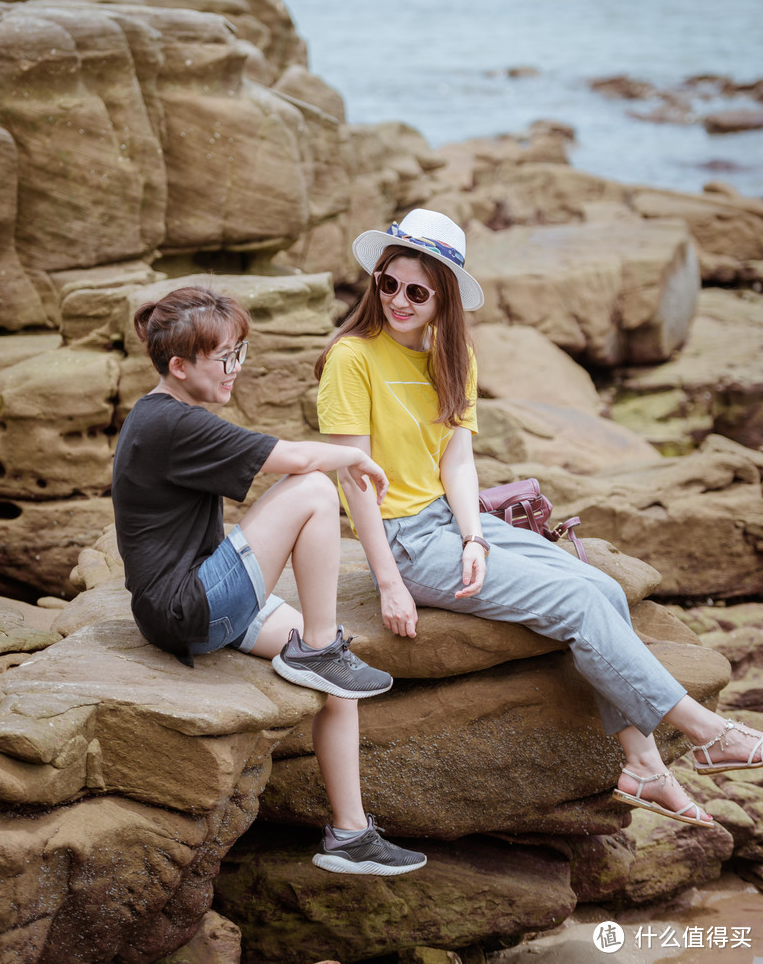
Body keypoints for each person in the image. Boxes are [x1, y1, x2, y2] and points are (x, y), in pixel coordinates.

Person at [315, 208, 763, 828]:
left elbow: (459, 462)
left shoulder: (453, 359)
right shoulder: (351, 357)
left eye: (417, 290)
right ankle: (707, 731)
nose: (397, 299)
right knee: (578, 606)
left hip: (452, 520)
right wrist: (390, 582)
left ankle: (643, 765)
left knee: (603, 587)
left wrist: (474, 536)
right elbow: (356, 480)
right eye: (387, 283)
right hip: (405, 542)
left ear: (444, 298)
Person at [111, 283, 426, 875]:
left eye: (241, 353)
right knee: (310, 489)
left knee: (341, 685)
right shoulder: (171, 425)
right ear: (178, 367)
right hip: (189, 610)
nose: (235, 370)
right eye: (224, 358)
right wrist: (354, 457)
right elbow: (301, 462)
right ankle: (317, 646)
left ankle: (350, 836)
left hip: (189, 600)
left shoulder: (165, 415)